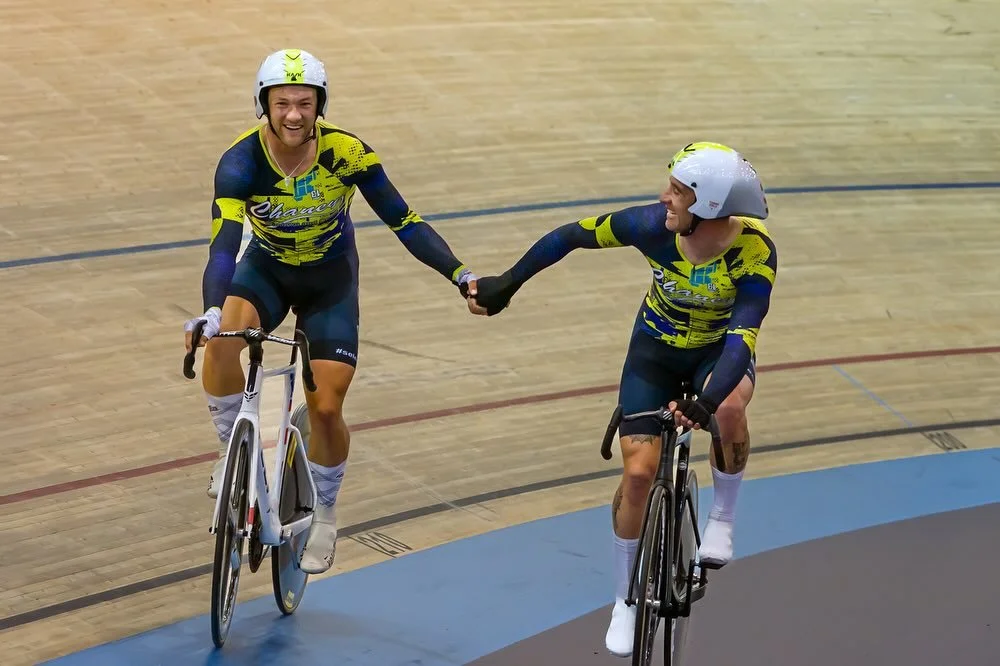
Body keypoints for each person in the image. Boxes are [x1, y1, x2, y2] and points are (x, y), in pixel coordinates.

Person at [183, 48, 486, 575]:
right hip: (267, 270)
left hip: (330, 281)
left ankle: (324, 511)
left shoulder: (348, 154)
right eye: (282, 103)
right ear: (264, 105)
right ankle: (228, 453)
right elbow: (223, 246)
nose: (294, 114)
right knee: (222, 342)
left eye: (305, 102)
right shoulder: (239, 163)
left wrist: (459, 274)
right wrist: (211, 310)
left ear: (320, 104)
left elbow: (405, 221)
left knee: (325, 408)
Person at [471, 142, 777, 657]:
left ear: (711, 205)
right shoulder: (648, 226)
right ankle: (623, 600)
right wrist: (508, 283)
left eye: (679, 191)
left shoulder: (755, 253)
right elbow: (572, 236)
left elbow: (742, 338)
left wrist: (704, 401)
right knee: (637, 474)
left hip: (715, 356)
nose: (665, 198)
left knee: (727, 407)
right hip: (654, 352)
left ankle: (722, 520)